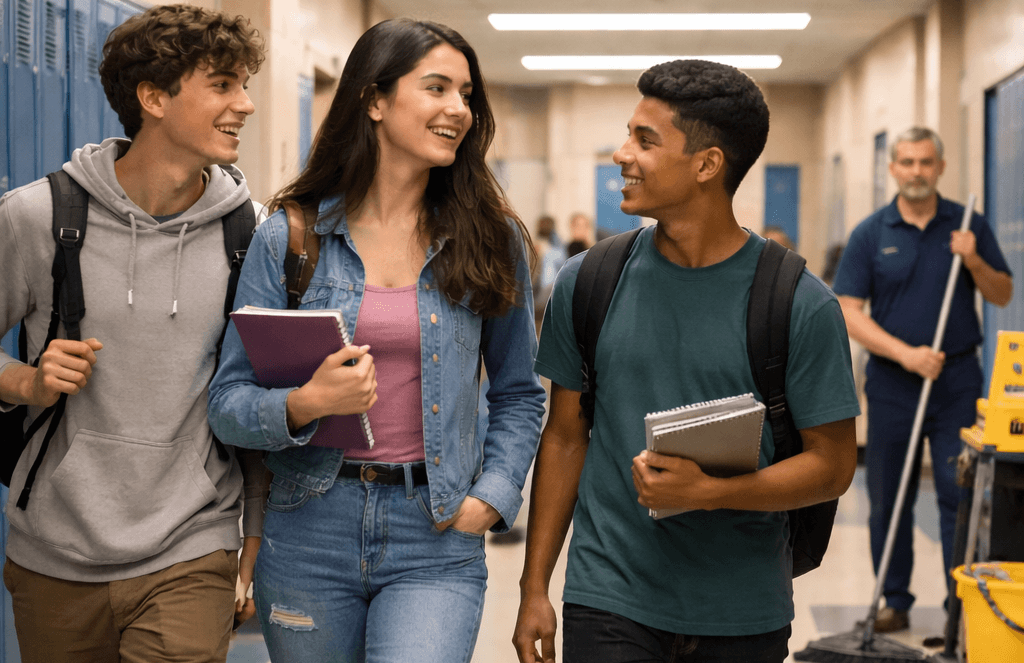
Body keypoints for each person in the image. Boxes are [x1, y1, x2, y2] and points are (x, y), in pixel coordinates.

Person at [207, 18, 545, 663]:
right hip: (309, 525)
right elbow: (228, 401)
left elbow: (519, 392)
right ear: (374, 99)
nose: (459, 109)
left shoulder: (490, 239)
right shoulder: (291, 238)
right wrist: (306, 403)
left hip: (436, 531)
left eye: (467, 94)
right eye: (438, 87)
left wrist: (494, 495)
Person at [513, 59, 860, 663]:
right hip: (609, 595)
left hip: (741, 607)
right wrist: (533, 585)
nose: (622, 154)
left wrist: (712, 491)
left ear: (706, 165)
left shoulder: (800, 305)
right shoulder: (589, 281)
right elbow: (566, 437)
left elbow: (832, 467)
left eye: (645, 140)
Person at [0, 5, 266, 662]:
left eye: (246, 84)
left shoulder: (250, 234)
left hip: (191, 543)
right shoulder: (38, 217)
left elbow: (256, 387)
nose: (247, 105)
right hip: (54, 551)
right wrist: (26, 380)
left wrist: (256, 532)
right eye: (224, 84)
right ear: (153, 97)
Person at [832, 126, 1013, 633]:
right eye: (907, 162)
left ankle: (961, 604)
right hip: (894, 382)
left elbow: (1001, 293)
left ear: (941, 166)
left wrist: (973, 257)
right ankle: (894, 600)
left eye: (925, 162)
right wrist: (906, 355)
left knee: (962, 496)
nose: (916, 172)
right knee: (890, 495)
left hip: (957, 378)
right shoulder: (872, 233)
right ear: (893, 169)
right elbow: (848, 311)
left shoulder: (968, 224)